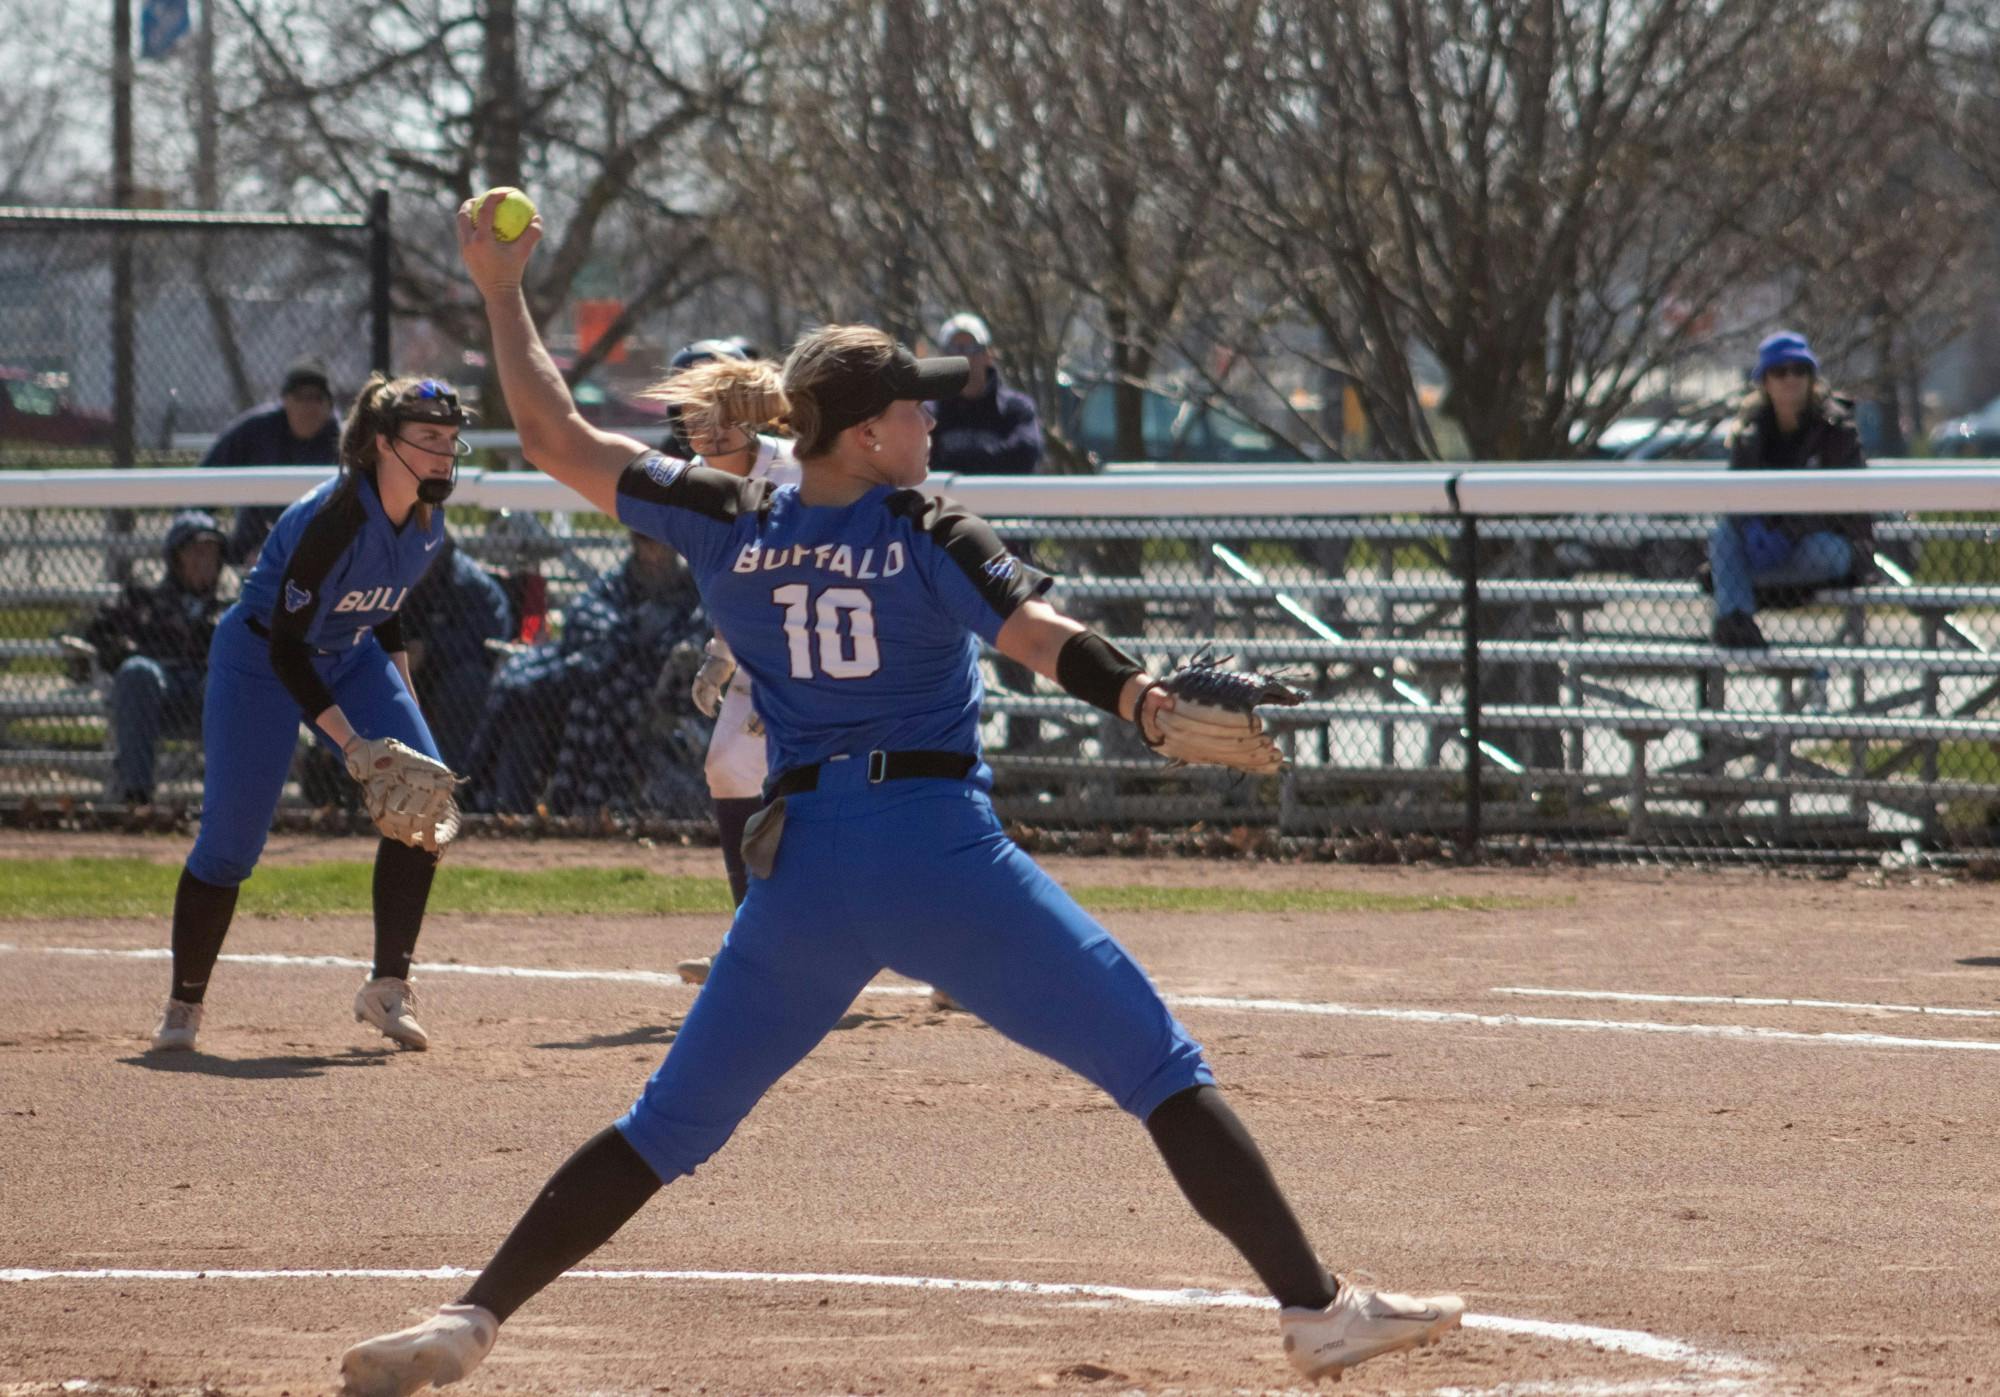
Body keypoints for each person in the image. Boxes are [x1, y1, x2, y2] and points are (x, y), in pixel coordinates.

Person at [336, 199, 1463, 1395]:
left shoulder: (731, 517)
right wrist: (1139, 702)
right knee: (1158, 1064)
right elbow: (1040, 634)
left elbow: (556, 436)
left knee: (665, 1127)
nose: (932, 414)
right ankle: (1316, 1311)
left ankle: (470, 1318)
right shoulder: (923, 518)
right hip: (937, 857)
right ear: (867, 435)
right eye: (913, 404)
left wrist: (501, 288)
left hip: (805, 872)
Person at [148, 374, 473, 1057]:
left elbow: (382, 604)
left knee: (422, 806)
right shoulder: (333, 521)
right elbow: (288, 650)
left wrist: (404, 701)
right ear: (383, 444)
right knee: (232, 844)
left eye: (450, 438)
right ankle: (185, 1001)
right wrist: (353, 744)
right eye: (428, 439)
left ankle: (388, 986)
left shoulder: (426, 517)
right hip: (261, 659)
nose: (445, 453)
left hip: (351, 653)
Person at [646, 342, 803, 986]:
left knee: (871, 802)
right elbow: (731, 579)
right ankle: (757, 947)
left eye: (718, 406)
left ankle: (949, 948)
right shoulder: (693, 483)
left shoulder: (794, 470)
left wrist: (786, 681)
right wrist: (721, 652)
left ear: (751, 409)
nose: (703, 423)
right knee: (729, 769)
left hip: (832, 653)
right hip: (761, 649)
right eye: (691, 409)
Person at [461, 532, 705, 815]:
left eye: (655, 542)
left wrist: (626, 640)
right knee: (514, 685)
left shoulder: (692, 591)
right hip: (589, 672)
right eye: (641, 541)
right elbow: (583, 616)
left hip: (648, 689)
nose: (649, 551)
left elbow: (686, 646)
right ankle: (493, 801)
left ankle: (574, 809)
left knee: (590, 704)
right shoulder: (622, 580)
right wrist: (625, 636)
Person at [1708, 331, 1873, 649]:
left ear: (1812, 377)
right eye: (1779, 372)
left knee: (1826, 553)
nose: (1790, 379)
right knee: (1725, 536)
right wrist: (1756, 531)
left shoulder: (1837, 428)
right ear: (1765, 381)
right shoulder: (1749, 432)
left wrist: (1789, 533)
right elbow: (1736, 498)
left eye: (1799, 370)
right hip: (1765, 549)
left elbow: (1847, 503)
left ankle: (1735, 592)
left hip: (1820, 545)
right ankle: (1736, 622)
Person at [82, 510, 228, 805]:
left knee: (226, 679)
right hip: (158, 692)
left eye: (211, 553)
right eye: (195, 552)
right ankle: (137, 796)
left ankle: (227, 800)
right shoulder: (145, 596)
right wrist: (128, 649)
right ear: (175, 559)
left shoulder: (234, 599)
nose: (205, 561)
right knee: (138, 671)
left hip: (206, 690)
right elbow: (101, 632)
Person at [200, 359, 343, 565]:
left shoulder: (341, 438)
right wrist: (200, 527)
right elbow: (207, 476)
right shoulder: (257, 429)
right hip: (252, 546)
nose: (308, 406)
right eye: (300, 397)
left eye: (317, 398)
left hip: (318, 548)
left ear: (329, 405)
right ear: (285, 400)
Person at [401, 537, 514, 774]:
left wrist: (430, 651)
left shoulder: (469, 583)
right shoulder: (397, 577)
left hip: (451, 675)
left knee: (467, 684)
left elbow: (488, 641)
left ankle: (448, 777)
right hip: (405, 671)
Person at [926, 312, 1043, 476]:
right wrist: (993, 456)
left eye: (971, 348)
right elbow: (919, 461)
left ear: (988, 355)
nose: (963, 356)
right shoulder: (928, 413)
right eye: (954, 349)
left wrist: (955, 459)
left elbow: (1025, 455)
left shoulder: (1017, 409)